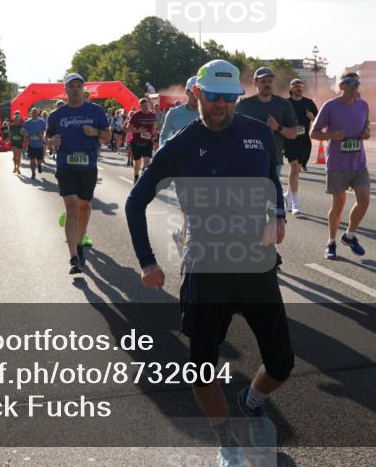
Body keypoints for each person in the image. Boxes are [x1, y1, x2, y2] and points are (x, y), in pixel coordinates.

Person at [125, 60, 292, 467]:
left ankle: (251, 401)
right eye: (214, 96)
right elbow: (135, 202)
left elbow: (271, 174)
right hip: (206, 263)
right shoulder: (179, 145)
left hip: (256, 261)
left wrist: (278, 215)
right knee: (201, 368)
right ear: (197, 93)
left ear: (237, 97)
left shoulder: (257, 133)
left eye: (229, 97)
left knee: (283, 363)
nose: (221, 105)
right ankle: (226, 441)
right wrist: (147, 262)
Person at [46, 74, 111, 274]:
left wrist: (96, 133)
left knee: (84, 206)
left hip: (88, 167)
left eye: (78, 86)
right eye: (71, 86)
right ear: (65, 90)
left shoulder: (96, 111)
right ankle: (74, 257)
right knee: (72, 208)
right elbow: (47, 139)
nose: (75, 89)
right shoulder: (56, 115)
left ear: (83, 89)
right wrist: (52, 142)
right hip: (66, 166)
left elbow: (108, 137)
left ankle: (80, 240)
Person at [310, 72, 371, 259]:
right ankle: (331, 242)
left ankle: (349, 235)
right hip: (337, 164)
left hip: (358, 163)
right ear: (342, 86)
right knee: (338, 206)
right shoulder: (330, 106)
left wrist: (366, 133)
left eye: (357, 83)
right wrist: (332, 136)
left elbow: (366, 126)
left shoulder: (363, 105)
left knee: (364, 201)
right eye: (351, 83)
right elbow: (314, 133)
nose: (355, 86)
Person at [159, 76, 203, 248]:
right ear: (187, 92)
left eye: (200, 93)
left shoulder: (208, 113)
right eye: (193, 93)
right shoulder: (175, 113)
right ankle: (189, 248)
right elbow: (164, 135)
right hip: (183, 171)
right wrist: (164, 152)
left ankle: (181, 236)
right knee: (190, 212)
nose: (196, 97)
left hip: (206, 169)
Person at [236, 68, 298, 186]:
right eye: (263, 81)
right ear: (255, 83)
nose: (267, 84)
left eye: (270, 81)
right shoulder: (243, 105)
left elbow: (294, 133)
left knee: (269, 199)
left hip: (273, 160)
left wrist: (277, 127)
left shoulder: (284, 104)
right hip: (248, 159)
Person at [284, 78, 318, 217]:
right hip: (290, 139)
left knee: (297, 170)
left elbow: (318, 119)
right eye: (296, 86)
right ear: (291, 88)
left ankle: (287, 195)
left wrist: (312, 117)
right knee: (293, 168)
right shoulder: (286, 103)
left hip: (304, 140)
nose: (299, 88)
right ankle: (295, 204)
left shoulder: (308, 103)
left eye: (301, 86)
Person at [129, 99, 157, 183]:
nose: (146, 108)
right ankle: (136, 174)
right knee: (137, 163)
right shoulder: (135, 115)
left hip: (148, 142)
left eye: (147, 106)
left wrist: (154, 134)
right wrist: (138, 131)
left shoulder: (153, 115)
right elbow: (129, 128)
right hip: (136, 142)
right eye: (144, 106)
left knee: (147, 162)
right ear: (140, 107)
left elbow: (154, 127)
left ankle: (143, 179)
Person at [22, 108, 47, 180]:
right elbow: (23, 130)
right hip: (31, 145)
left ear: (38, 113)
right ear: (31, 113)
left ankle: (39, 164)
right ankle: (33, 173)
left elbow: (45, 130)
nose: (34, 114)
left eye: (35, 112)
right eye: (33, 112)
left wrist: (42, 134)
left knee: (39, 159)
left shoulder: (42, 122)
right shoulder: (27, 122)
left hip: (39, 145)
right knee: (32, 160)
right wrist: (25, 133)